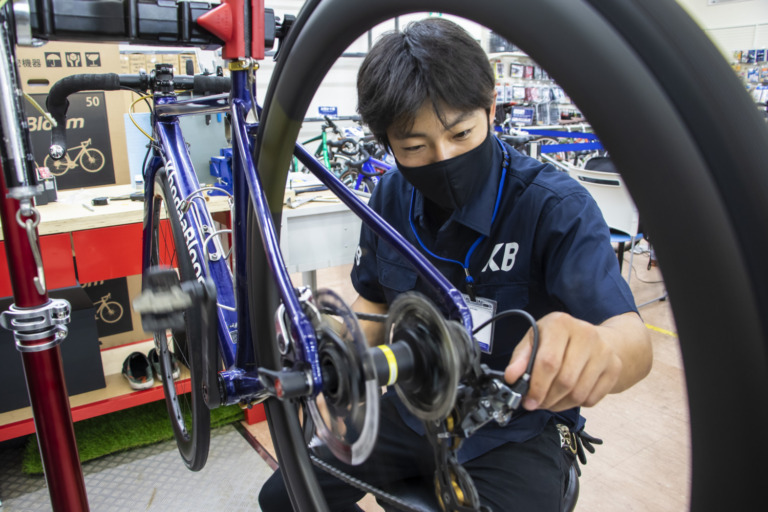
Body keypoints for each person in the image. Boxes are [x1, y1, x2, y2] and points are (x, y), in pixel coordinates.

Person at [259, 17, 652, 511]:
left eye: (462, 132)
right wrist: (333, 342)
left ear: (491, 108)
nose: (443, 157)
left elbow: (633, 342)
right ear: (387, 144)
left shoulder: (553, 208)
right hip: (406, 414)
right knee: (283, 499)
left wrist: (599, 348)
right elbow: (372, 302)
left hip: (510, 432)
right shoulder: (389, 196)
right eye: (414, 147)